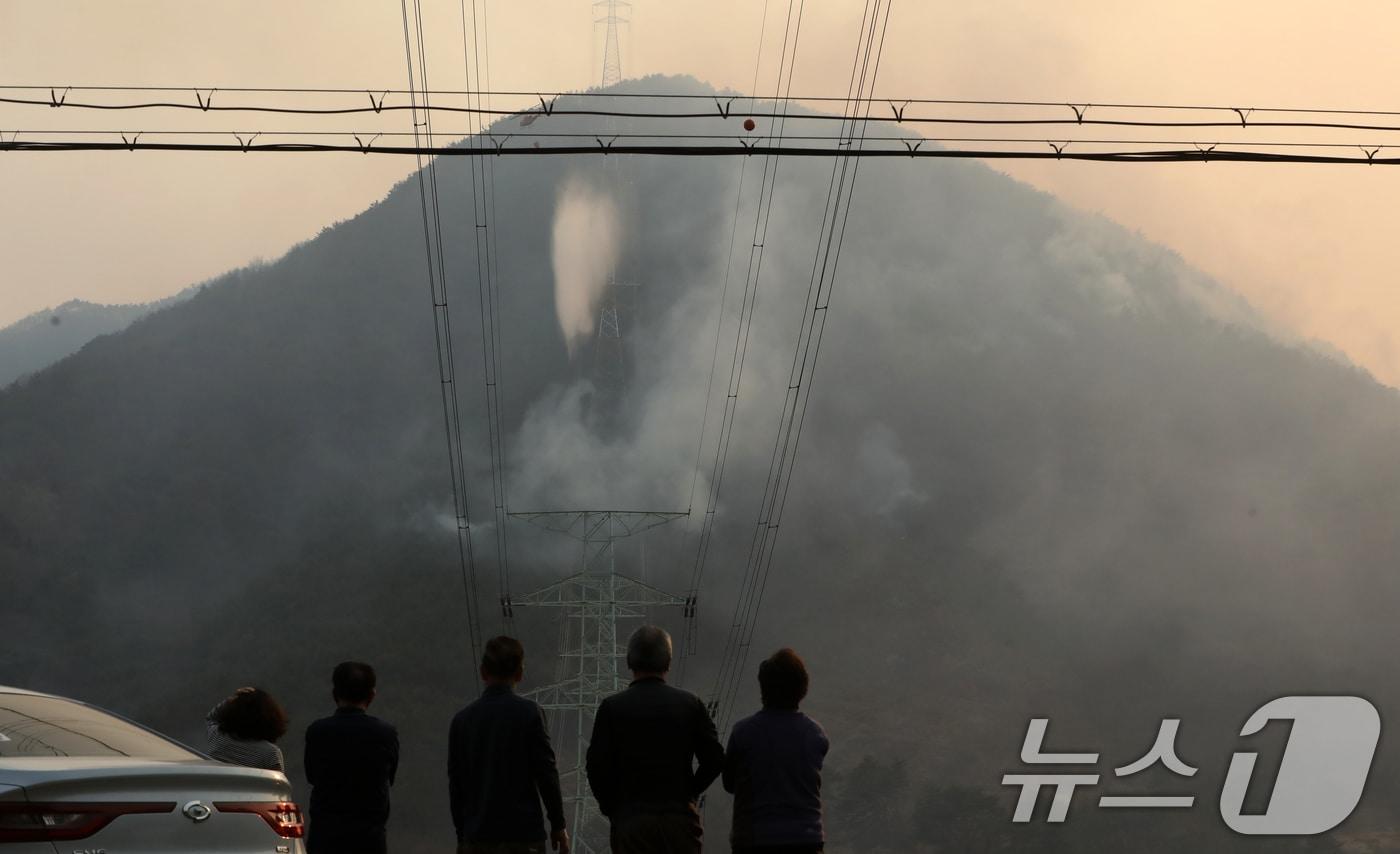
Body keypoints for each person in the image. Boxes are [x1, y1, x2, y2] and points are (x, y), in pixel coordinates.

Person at [586, 625, 724, 854]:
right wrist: (689, 793)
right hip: (679, 821)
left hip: (631, 822)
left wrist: (613, 808)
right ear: (668, 662)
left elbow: (595, 768)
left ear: (630, 661)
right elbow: (715, 759)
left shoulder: (612, 708)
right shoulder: (690, 704)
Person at [448, 636, 570, 854]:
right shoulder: (530, 714)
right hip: (523, 837)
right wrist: (558, 824)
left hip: (477, 837)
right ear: (520, 673)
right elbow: (546, 774)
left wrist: (462, 835)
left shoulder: (461, 721)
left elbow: (456, 785)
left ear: (483, 672)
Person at [722, 649, 829, 854]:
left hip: (753, 841)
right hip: (807, 840)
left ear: (764, 688)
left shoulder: (743, 732)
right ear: (802, 688)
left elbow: (729, 784)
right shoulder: (815, 735)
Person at [304, 661, 400, 854]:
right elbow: (390, 778)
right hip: (370, 839)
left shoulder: (317, 731)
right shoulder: (386, 734)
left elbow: (311, 776)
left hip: (324, 837)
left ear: (335, 694)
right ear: (371, 695)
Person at [205, 686, 288, 772]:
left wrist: (231, 699)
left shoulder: (217, 735)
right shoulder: (270, 753)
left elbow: (211, 718)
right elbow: (277, 780)